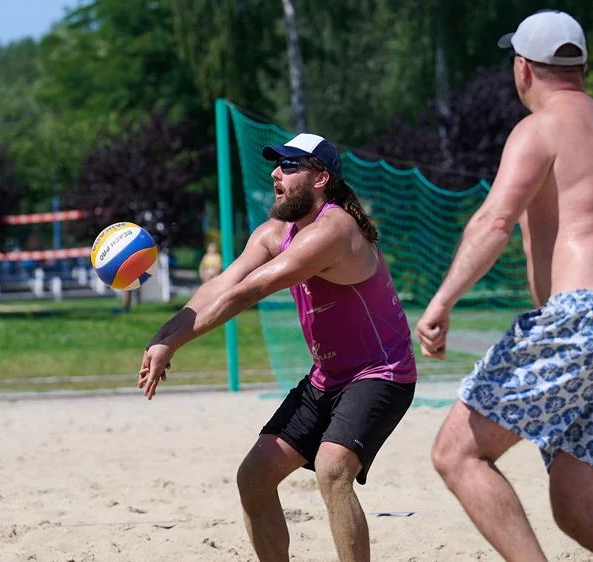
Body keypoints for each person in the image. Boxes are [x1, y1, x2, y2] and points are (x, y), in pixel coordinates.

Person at [138, 133, 417, 561]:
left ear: (321, 177)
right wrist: (163, 335)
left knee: (332, 468)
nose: (274, 173)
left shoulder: (336, 228)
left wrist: (176, 342)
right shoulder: (273, 234)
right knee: (253, 477)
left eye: (289, 166)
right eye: (276, 165)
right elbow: (220, 286)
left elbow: (251, 291)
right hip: (326, 378)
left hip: (381, 373)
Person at [416, 10, 593, 562]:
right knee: (580, 508)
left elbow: (492, 224)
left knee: (456, 454)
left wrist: (441, 301)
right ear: (579, 65)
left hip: (578, 315)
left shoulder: (541, 127)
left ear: (523, 69)